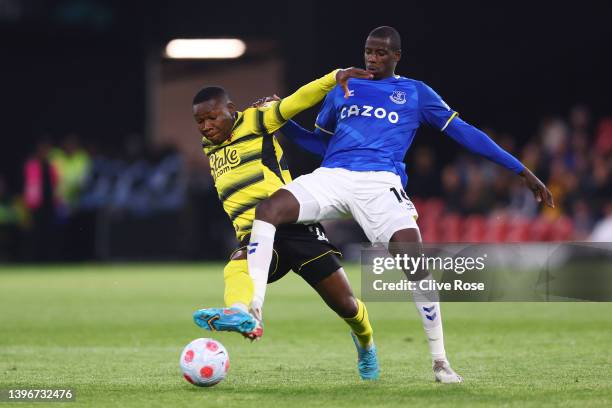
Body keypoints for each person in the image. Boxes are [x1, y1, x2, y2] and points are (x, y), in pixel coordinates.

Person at [237, 26, 554, 383]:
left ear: (396, 56)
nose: (372, 58)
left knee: (415, 263)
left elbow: (464, 132)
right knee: (269, 210)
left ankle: (440, 362)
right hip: (335, 175)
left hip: (380, 184)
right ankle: (254, 308)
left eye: (381, 53)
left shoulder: (415, 93)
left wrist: (520, 169)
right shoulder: (343, 88)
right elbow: (322, 145)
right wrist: (282, 124)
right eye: (368, 51)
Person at [191, 67, 381, 380]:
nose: (207, 127)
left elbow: (297, 101)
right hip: (256, 236)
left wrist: (333, 77)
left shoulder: (255, 121)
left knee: (346, 305)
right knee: (237, 263)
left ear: (231, 110)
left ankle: (366, 343)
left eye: (213, 117)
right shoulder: (209, 146)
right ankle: (241, 314)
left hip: (294, 225)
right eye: (200, 121)